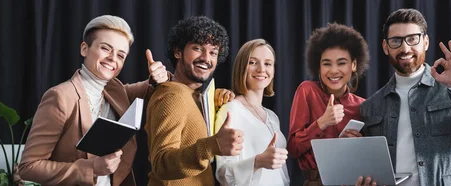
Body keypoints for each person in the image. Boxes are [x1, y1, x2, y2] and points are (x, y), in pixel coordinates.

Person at [18, 15, 169, 186]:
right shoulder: (60, 97)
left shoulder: (116, 90)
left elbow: (150, 87)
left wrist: (159, 77)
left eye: (121, 55)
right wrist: (91, 168)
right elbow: (28, 167)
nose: (113, 58)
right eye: (105, 48)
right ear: (84, 48)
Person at [359, 8, 451, 185]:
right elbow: (370, 166)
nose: (405, 48)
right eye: (396, 41)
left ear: (425, 42)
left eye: (412, 39)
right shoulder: (371, 106)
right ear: (386, 47)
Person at [145, 16, 243, 186]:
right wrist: (211, 146)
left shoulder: (195, 95)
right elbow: (161, 164)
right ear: (178, 51)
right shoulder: (172, 95)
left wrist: (216, 99)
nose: (206, 58)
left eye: (213, 52)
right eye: (197, 48)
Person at [287, 23, 370, 186]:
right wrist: (322, 123)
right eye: (326, 63)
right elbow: (293, 148)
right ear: (318, 66)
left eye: (341, 63)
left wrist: (359, 145)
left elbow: (368, 158)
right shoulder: (307, 91)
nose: (333, 70)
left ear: (353, 65)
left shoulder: (362, 105)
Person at [214, 39, 289, 186]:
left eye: (268, 63)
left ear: (273, 71)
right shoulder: (230, 110)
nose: (261, 69)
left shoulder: (272, 117)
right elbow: (223, 174)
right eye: (253, 62)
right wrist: (258, 161)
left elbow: (281, 174)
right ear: (242, 67)